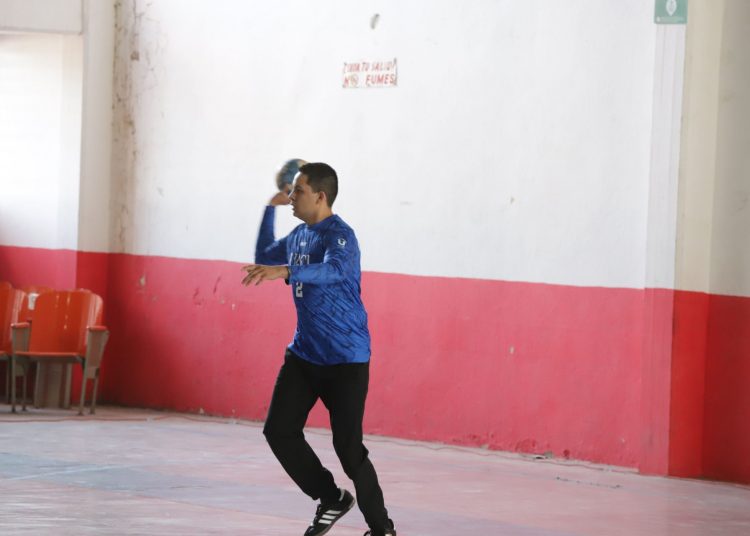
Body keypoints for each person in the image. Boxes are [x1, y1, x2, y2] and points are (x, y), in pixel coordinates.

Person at [242, 162, 396, 536]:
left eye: (299, 191)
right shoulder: (298, 236)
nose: (292, 196)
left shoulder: (340, 236)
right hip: (304, 355)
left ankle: (382, 529)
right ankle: (331, 498)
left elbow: (335, 271)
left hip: (346, 359)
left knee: (349, 449)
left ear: (320, 196)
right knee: (279, 431)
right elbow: (265, 254)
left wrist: (287, 272)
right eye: (291, 191)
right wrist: (269, 209)